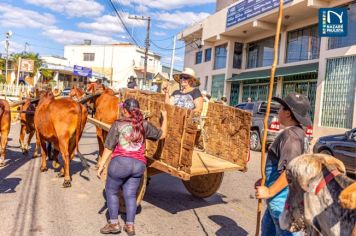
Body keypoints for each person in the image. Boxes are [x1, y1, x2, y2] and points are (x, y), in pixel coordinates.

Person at [97, 98, 167, 235]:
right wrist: (165, 118)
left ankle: (113, 224)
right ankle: (130, 226)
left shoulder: (118, 124)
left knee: (111, 191)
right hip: (138, 165)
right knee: (130, 195)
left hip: (120, 164)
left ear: (125, 110)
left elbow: (109, 147)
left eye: (122, 108)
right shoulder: (145, 125)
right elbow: (162, 135)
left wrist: (101, 165)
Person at [255, 93, 311, 236]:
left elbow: (290, 172)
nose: (278, 111)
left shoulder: (291, 137)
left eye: (280, 108)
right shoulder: (298, 133)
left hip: (283, 204)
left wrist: (269, 191)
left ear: (287, 113)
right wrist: (267, 181)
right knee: (268, 229)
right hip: (278, 201)